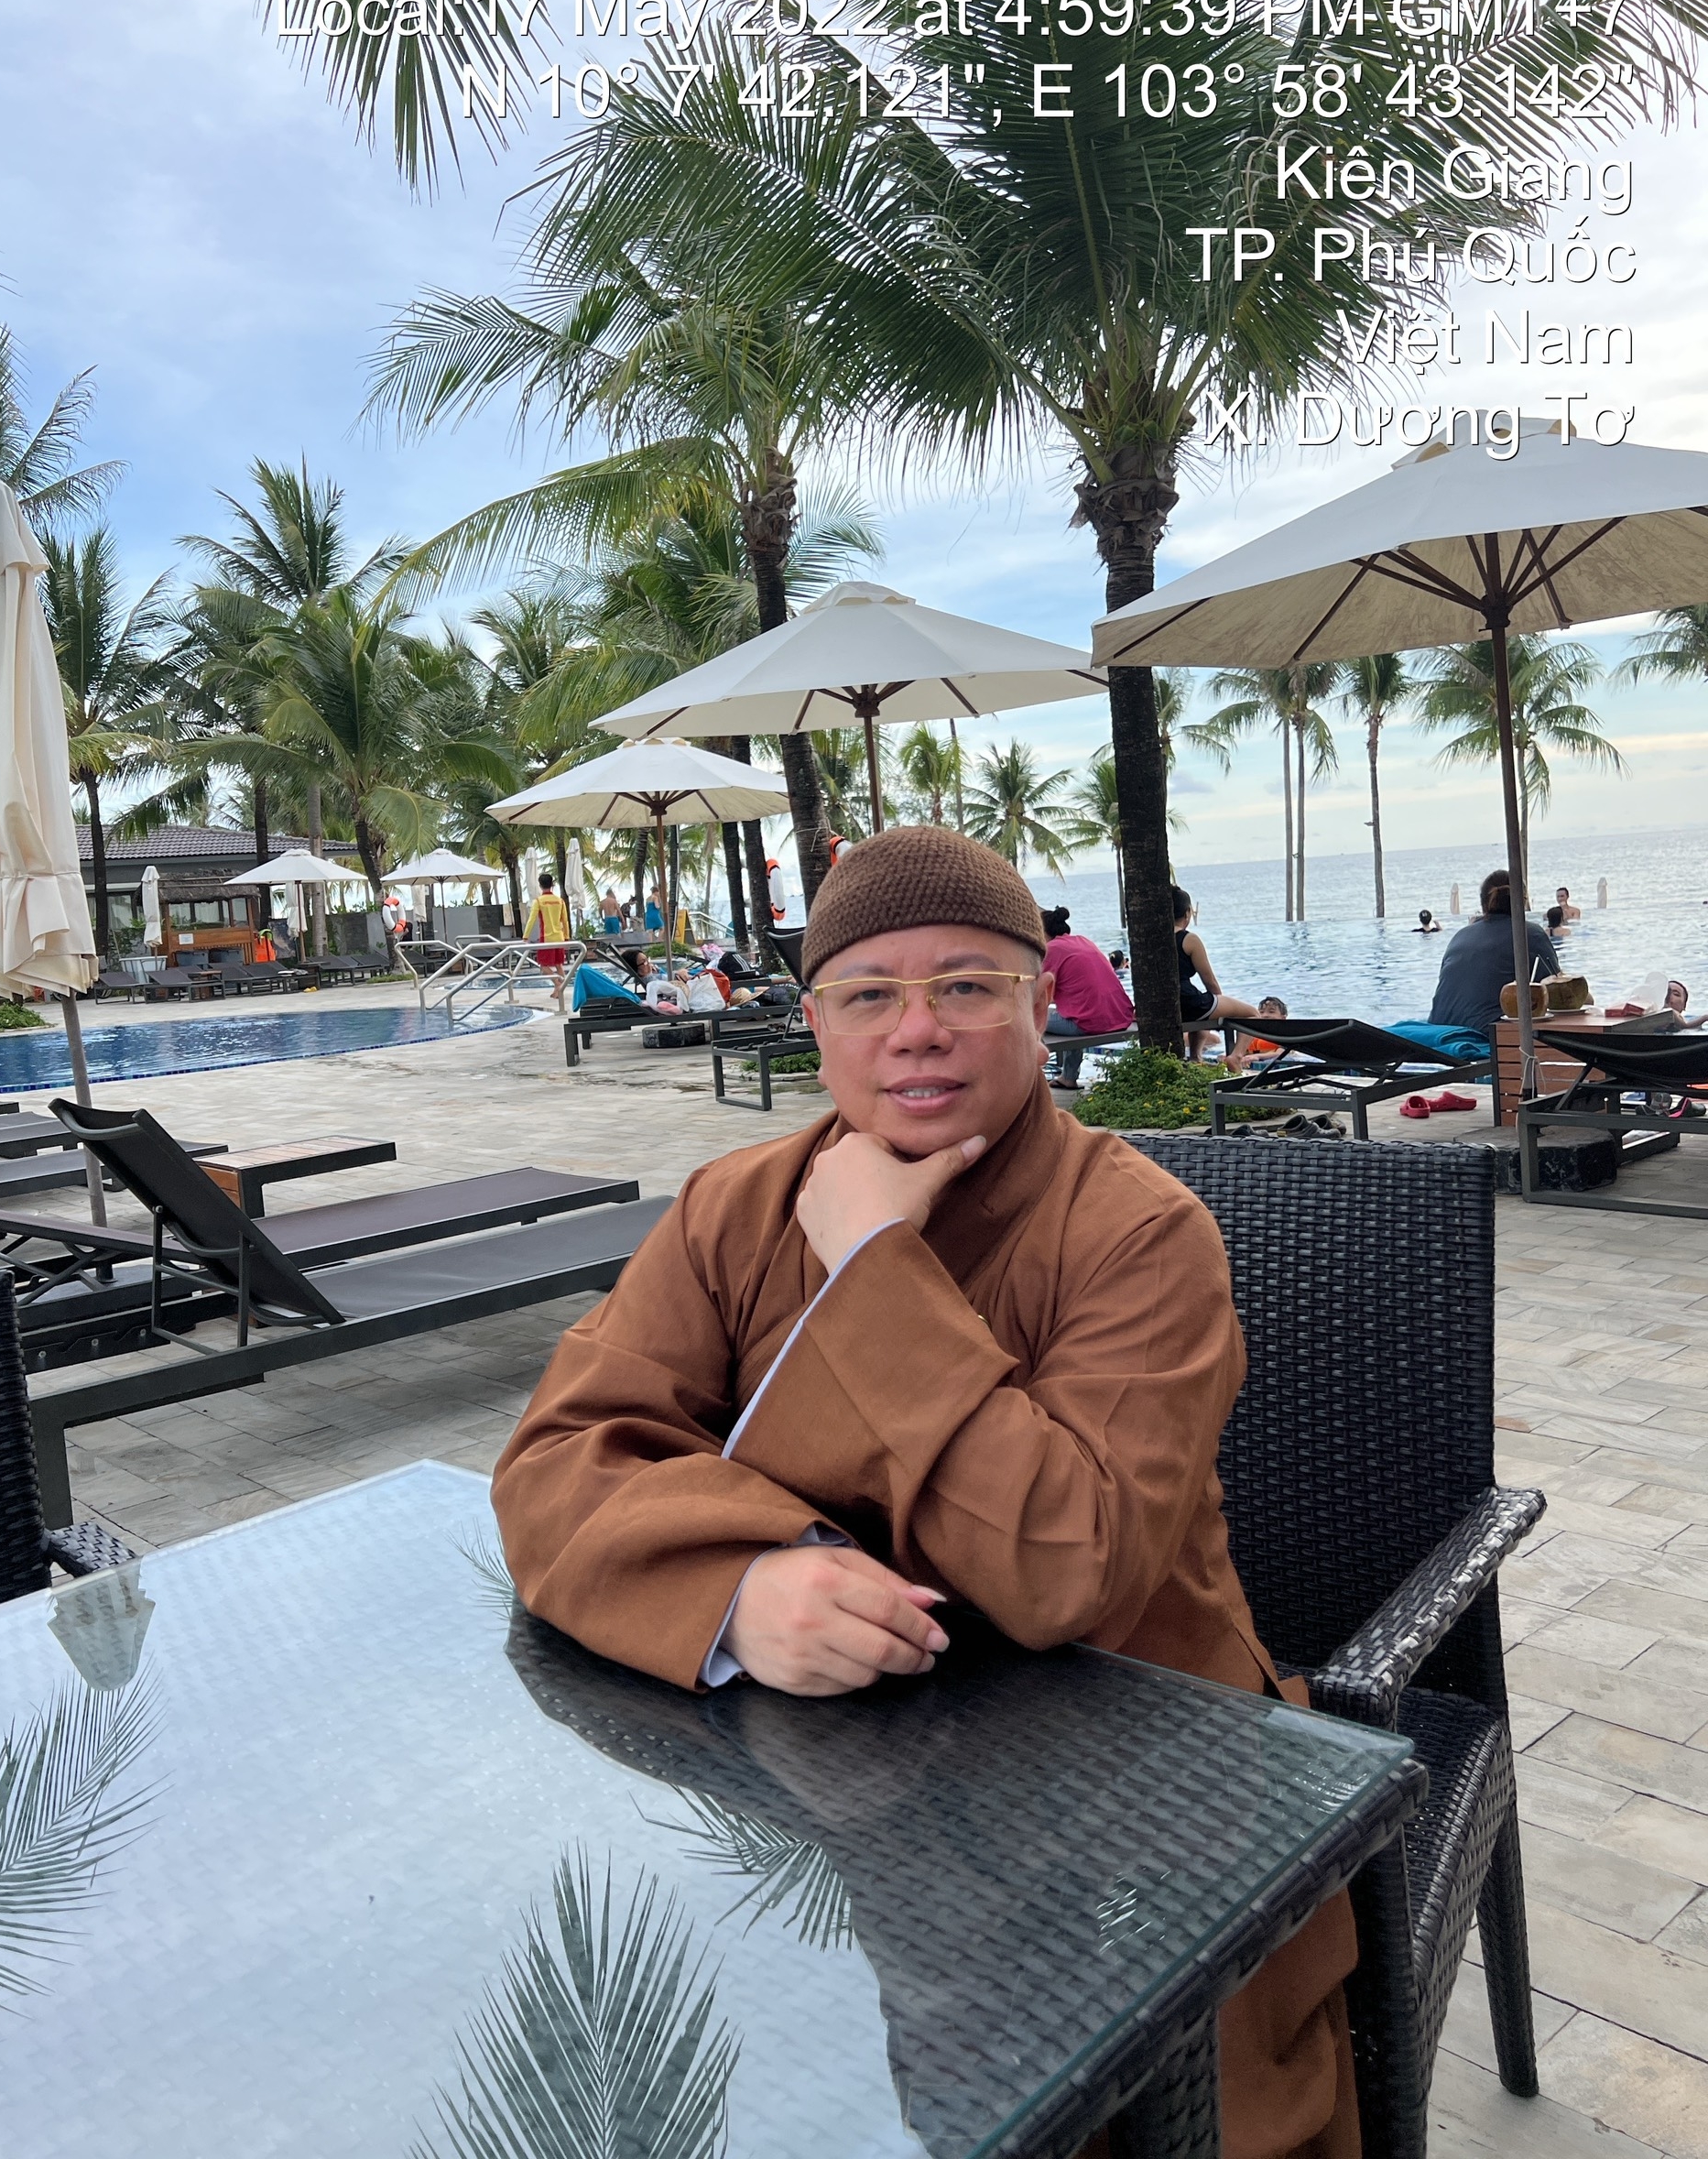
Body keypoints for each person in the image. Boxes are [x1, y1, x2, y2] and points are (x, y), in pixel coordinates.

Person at [494, 825, 1363, 2159]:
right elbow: (560, 1457)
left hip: (1141, 1786)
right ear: (816, 1024)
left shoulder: (1138, 1232)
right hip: (842, 1792)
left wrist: (872, 1265)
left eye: (966, 985)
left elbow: (1069, 1571)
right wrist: (739, 1586)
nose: (917, 1031)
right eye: (868, 994)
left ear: (1039, 1005)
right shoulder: (735, 1208)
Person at [1390, 870, 1560, 1058]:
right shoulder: (1530, 934)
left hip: (1439, 1031)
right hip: (1484, 1037)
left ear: (1483, 903)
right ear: (1524, 900)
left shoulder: (1461, 935)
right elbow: (1558, 992)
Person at [1038, 905, 1135, 1089]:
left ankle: (1030, 1077)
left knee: (1026, 1016)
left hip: (1089, 1022)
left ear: (1043, 932)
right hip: (1117, 1016)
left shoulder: (1052, 949)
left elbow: (1038, 993)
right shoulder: (1083, 941)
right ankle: (1068, 1077)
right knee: (1073, 1013)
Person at [1172, 886, 1259, 1060]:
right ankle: (1236, 1056)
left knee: (1205, 1008)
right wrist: (1220, 1002)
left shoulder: (1150, 940)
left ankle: (1196, 1058)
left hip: (1166, 1005)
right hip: (1188, 1003)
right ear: (1187, 913)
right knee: (1252, 1014)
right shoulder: (1189, 939)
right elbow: (1210, 980)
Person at [527, 871, 571, 972]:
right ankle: (562, 982)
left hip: (546, 938)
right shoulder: (560, 901)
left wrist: (525, 937)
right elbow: (565, 921)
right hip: (559, 937)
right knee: (559, 964)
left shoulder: (539, 901)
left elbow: (531, 920)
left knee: (543, 966)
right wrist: (566, 937)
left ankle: (557, 981)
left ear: (540, 885)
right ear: (552, 884)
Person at [1238, 995, 1290, 1066]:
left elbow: (1280, 1054)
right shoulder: (1250, 1035)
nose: (1265, 1015)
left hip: (1274, 1064)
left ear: (1283, 1018)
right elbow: (1240, 1053)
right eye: (1261, 1012)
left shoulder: (1284, 1035)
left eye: (1271, 1012)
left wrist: (1257, 1056)